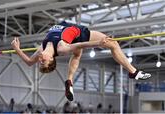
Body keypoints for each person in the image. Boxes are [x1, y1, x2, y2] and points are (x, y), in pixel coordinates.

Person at [11, 21, 151, 101]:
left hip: (68, 29)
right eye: (44, 62)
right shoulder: (61, 48)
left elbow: (29, 62)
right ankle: (133, 72)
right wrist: (98, 42)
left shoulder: (41, 49)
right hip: (79, 34)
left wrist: (17, 48)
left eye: (40, 62)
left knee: (77, 56)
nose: (40, 60)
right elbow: (80, 44)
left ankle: (69, 81)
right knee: (113, 44)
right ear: (52, 59)